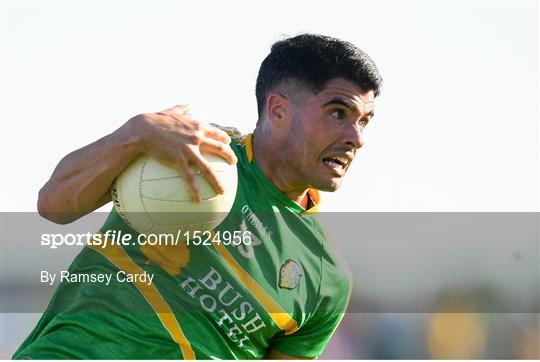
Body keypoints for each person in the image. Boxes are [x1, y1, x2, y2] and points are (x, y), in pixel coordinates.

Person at [14, 33, 382, 359]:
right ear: (279, 109)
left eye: (364, 121)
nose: (357, 137)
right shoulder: (184, 148)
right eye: (338, 112)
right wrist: (135, 133)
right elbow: (53, 205)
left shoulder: (326, 277)